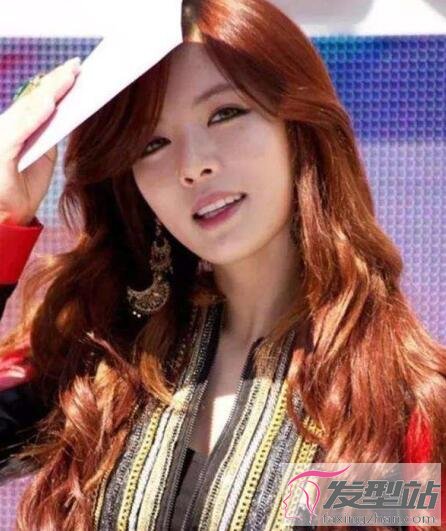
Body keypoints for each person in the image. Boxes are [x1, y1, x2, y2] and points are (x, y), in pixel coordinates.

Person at [0, 0, 445, 529]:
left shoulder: (400, 402)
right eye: (152, 143)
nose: (193, 165)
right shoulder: (99, 367)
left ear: (298, 129)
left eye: (225, 114)